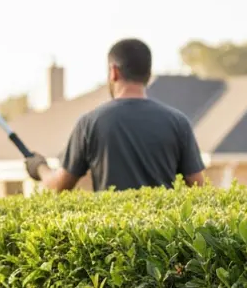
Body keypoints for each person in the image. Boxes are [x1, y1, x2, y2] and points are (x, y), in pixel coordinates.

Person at [26, 38, 206, 192]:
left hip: (112, 233)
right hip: (163, 232)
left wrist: (39, 167)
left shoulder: (90, 123)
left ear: (114, 71)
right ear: (148, 75)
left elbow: (58, 186)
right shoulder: (177, 122)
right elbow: (198, 187)